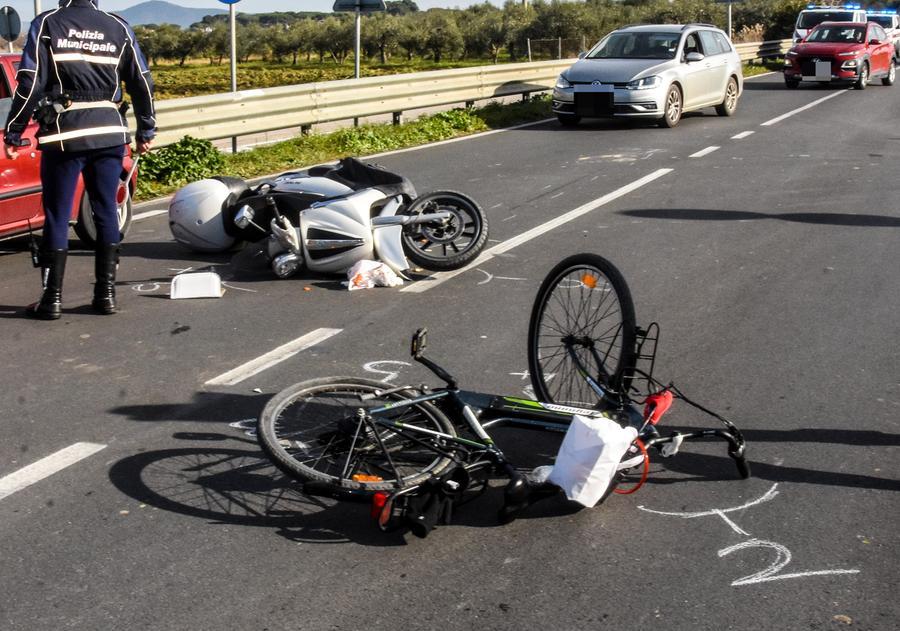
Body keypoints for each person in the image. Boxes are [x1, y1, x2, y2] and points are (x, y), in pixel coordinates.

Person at [4, 0, 156, 320]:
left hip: (64, 135)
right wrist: (146, 129)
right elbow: (141, 80)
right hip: (110, 133)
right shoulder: (119, 26)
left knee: (58, 216)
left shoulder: (48, 23)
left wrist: (15, 131)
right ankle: (106, 296)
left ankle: (52, 299)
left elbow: (30, 80)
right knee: (105, 212)